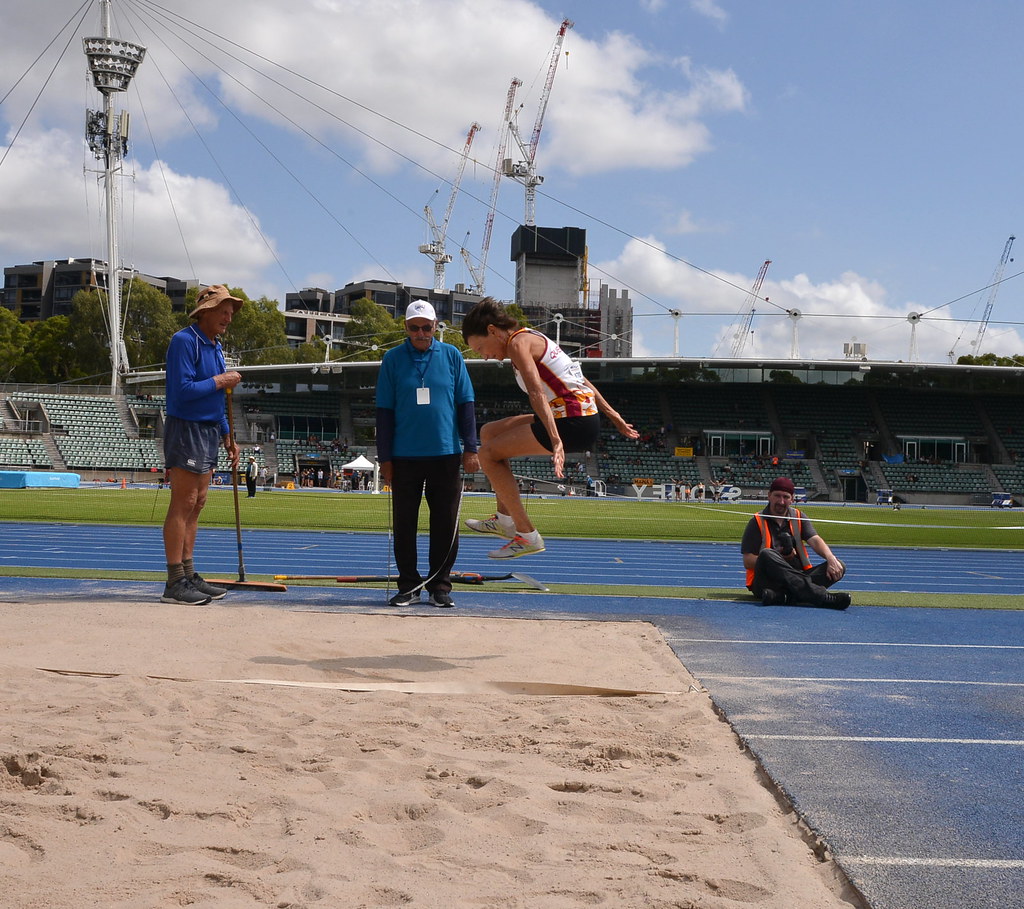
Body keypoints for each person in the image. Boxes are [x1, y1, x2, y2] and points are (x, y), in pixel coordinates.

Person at [461, 297, 638, 558]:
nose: (484, 357)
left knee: (487, 454)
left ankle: (527, 535)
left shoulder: (519, 344)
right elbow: (580, 379)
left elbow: (536, 392)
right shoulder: (530, 337)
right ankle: (504, 519)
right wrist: (613, 415)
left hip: (572, 423)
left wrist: (556, 440)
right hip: (575, 416)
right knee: (489, 432)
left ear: (492, 331)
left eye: (480, 348)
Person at [376, 300, 479, 608]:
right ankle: (408, 585)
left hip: (446, 454)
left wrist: (471, 447)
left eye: (426, 327)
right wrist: (385, 459)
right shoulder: (392, 359)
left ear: (436, 326)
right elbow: (384, 412)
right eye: (413, 327)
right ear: (405, 328)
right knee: (404, 523)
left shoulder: (452, 356)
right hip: (404, 456)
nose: (420, 333)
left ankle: (440, 586)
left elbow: (466, 405)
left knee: (445, 523)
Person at [161, 284, 244, 605]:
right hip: (187, 428)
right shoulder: (184, 341)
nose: (228, 317)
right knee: (184, 502)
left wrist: (227, 434)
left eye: (230, 312)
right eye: (223, 311)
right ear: (205, 311)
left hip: (209, 429)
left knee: (198, 503)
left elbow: (216, 398)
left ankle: (188, 572)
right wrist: (222, 380)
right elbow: (182, 391)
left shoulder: (215, 346)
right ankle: (174, 581)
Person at [741, 476, 851, 610]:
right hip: (767, 582)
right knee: (766, 554)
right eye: (777, 496)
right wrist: (779, 560)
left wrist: (831, 558)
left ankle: (782, 597)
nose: (781, 501)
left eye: (786, 497)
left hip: (798, 575)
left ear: (792, 499)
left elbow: (815, 540)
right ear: (769, 496)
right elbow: (747, 561)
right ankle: (822, 597)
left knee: (840, 566)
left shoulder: (798, 516)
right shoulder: (757, 521)